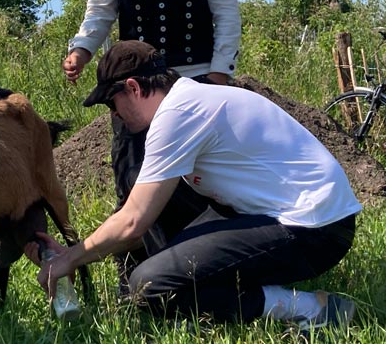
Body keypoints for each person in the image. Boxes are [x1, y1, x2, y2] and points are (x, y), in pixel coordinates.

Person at [32, 40, 361, 335]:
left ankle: (311, 309)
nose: (114, 114)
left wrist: (71, 259)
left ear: (133, 87)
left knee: (150, 285)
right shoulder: (190, 99)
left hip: (316, 228)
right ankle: (214, 299)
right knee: (160, 237)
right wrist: (74, 254)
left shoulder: (178, 114)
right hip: (290, 213)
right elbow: (137, 218)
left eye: (111, 103)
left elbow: (133, 222)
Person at [63, 0, 242, 277]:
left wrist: (218, 74)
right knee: (132, 178)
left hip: (194, 83)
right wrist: (82, 49)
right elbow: (101, 9)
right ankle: (135, 277)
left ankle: (200, 271)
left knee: (195, 185)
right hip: (135, 89)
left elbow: (226, 12)